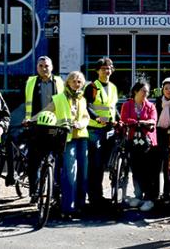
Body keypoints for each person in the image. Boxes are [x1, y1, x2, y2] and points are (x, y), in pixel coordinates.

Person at [46, 70, 89, 218]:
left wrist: (81, 123)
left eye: (79, 82)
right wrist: (31, 120)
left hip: (82, 137)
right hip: (67, 139)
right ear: (68, 82)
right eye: (74, 81)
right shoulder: (59, 98)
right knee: (70, 174)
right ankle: (68, 207)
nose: (77, 84)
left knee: (83, 172)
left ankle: (80, 205)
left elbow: (86, 117)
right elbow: (46, 112)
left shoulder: (82, 99)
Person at [23, 55, 64, 200]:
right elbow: (28, 103)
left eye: (46, 66)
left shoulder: (59, 82)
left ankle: (55, 192)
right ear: (37, 68)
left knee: (56, 158)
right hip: (36, 125)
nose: (44, 68)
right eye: (40, 66)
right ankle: (34, 192)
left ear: (52, 67)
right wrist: (28, 119)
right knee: (34, 160)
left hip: (55, 126)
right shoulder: (31, 82)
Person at [84, 56, 118, 207]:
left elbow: (112, 107)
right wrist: (97, 117)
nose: (107, 71)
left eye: (109, 68)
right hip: (95, 130)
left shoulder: (113, 87)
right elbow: (87, 105)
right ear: (97, 71)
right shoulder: (92, 86)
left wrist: (118, 118)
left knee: (104, 164)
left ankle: (99, 195)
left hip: (108, 129)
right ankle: (94, 197)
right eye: (103, 68)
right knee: (95, 165)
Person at [119, 80, 158, 212]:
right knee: (135, 169)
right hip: (132, 141)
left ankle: (149, 198)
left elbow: (153, 120)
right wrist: (141, 122)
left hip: (147, 142)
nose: (146, 94)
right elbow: (124, 120)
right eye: (143, 91)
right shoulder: (127, 105)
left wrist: (139, 122)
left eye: (147, 91)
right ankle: (138, 195)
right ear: (136, 91)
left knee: (147, 170)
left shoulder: (151, 106)